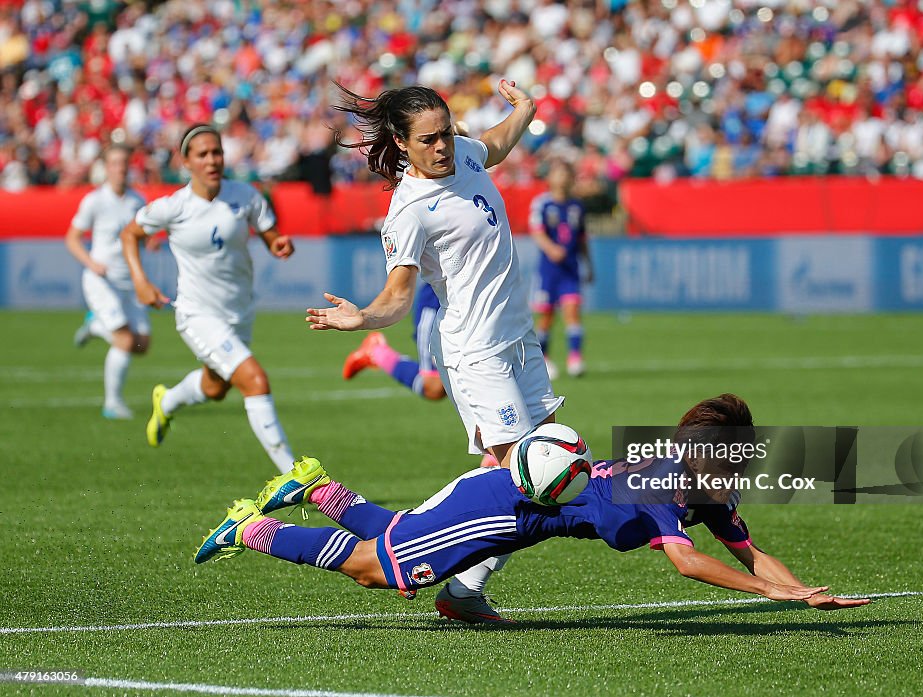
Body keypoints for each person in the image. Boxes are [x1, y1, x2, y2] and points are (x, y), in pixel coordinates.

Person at [194, 394, 871, 622]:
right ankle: (252, 527)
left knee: (397, 535)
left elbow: (749, 549)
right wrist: (768, 595)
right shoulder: (665, 482)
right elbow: (689, 564)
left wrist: (802, 591)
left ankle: (313, 484)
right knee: (382, 570)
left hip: (524, 511)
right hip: (504, 506)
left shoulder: (708, 489)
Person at [305, 81, 560, 617]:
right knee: (533, 478)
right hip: (476, 351)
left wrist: (527, 110)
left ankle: (462, 590)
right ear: (401, 143)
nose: (443, 147)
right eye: (429, 140)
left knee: (541, 472)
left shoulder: (463, 152)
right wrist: (363, 317)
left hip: (518, 338)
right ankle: (395, 543)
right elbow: (399, 297)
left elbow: (493, 143)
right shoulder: (408, 211)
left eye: (445, 133)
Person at [120, 124, 298, 473]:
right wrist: (140, 281)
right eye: (202, 154)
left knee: (216, 387)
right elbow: (130, 233)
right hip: (197, 313)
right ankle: (295, 476)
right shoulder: (174, 207)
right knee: (254, 380)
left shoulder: (245, 195)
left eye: (216, 152)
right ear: (186, 161)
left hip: (239, 312)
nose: (212, 160)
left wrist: (278, 243)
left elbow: (270, 234)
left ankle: (167, 400)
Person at [65, 144, 149, 419]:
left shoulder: (138, 201)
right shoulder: (95, 200)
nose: (120, 168)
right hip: (102, 280)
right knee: (124, 340)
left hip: (129, 282)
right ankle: (112, 403)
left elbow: (140, 236)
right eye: (114, 163)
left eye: (124, 162)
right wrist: (91, 263)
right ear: (106, 167)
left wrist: (152, 242)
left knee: (141, 345)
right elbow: (72, 238)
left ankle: (96, 327)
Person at [529, 159, 592, 379]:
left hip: (570, 268)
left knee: (573, 311)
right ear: (550, 178)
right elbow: (537, 232)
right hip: (549, 270)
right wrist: (551, 248)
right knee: (546, 316)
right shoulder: (542, 204)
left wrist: (589, 265)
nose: (562, 177)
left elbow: (582, 238)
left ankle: (575, 357)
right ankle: (543, 359)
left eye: (566, 173)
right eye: (558, 172)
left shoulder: (577, 206)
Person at [343, 283, 447, 401]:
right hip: (439, 301)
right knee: (434, 386)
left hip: (467, 305)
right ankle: (376, 351)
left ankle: (376, 351)